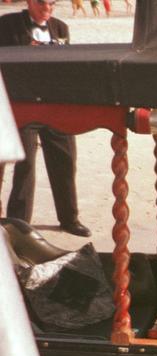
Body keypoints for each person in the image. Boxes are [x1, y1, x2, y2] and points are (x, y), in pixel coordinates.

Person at [0, 0, 91, 237]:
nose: (47, 8)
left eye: (52, 3)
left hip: (55, 105)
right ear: (30, 2)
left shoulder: (61, 28)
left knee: (65, 160)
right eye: (42, 2)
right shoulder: (7, 24)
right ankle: (19, 224)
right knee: (25, 165)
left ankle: (69, 218)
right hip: (23, 105)